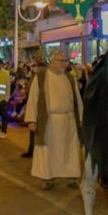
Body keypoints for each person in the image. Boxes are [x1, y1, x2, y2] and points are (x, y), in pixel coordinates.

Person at [24, 51, 83, 190]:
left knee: (70, 150)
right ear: (53, 61)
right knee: (48, 151)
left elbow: (77, 100)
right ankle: (47, 177)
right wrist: (31, 120)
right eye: (61, 61)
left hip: (68, 121)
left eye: (66, 61)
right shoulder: (41, 77)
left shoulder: (69, 78)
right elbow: (33, 98)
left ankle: (71, 176)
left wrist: (80, 117)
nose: (64, 64)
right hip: (49, 121)